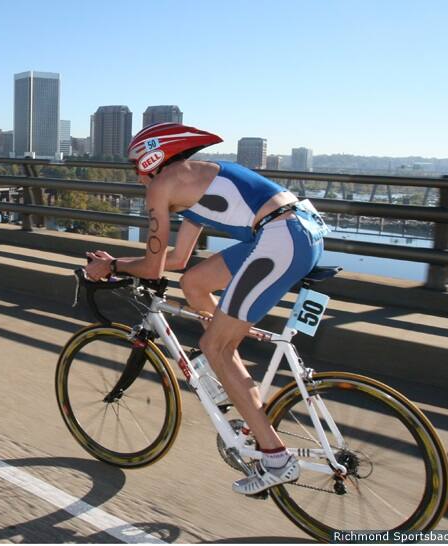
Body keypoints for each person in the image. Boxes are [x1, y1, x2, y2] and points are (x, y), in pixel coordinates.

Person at [85, 123, 327, 495]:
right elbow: (178, 260)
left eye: (137, 165)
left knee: (215, 346)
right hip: (293, 229)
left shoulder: (161, 186)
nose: (138, 175)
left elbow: (151, 269)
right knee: (194, 284)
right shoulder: (195, 181)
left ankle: (277, 458)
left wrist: (113, 265)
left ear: (152, 158)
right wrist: (127, 263)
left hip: (280, 237)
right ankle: (235, 383)